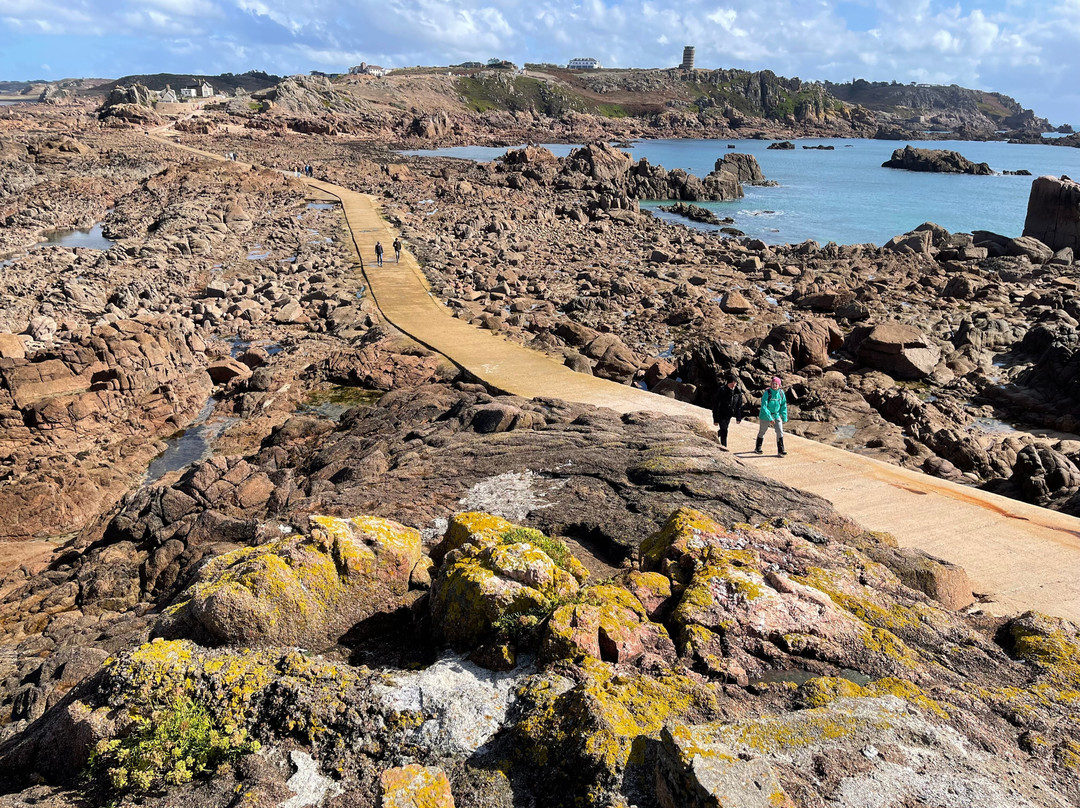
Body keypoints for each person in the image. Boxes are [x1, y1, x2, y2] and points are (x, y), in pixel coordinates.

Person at [755, 376, 788, 456]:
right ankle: (758, 448)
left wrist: (784, 416)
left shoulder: (781, 393)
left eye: (776, 384)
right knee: (762, 431)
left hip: (776, 415)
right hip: (765, 415)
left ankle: (781, 450)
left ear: (779, 385)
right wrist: (770, 418)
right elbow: (764, 407)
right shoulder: (767, 393)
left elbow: (783, 405)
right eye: (773, 384)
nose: (774, 385)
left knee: (780, 432)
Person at [711, 372, 743, 450]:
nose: (733, 385)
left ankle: (715, 435)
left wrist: (738, 417)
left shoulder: (738, 391)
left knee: (724, 429)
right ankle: (724, 448)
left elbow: (739, 406)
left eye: (735, 383)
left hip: (729, 414)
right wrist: (715, 419)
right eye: (731, 383)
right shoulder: (722, 390)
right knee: (724, 431)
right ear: (728, 383)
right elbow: (716, 405)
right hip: (721, 413)